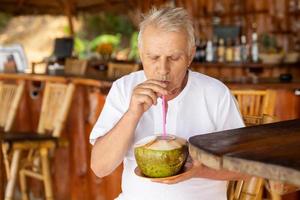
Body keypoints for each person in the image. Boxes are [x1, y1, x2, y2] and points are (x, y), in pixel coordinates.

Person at [90, 7, 246, 200]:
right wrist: (132, 114)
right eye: (153, 57)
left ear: (190, 56)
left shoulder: (215, 93)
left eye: (174, 58)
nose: (163, 70)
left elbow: (244, 169)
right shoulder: (123, 89)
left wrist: (199, 170)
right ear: (141, 54)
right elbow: (100, 167)